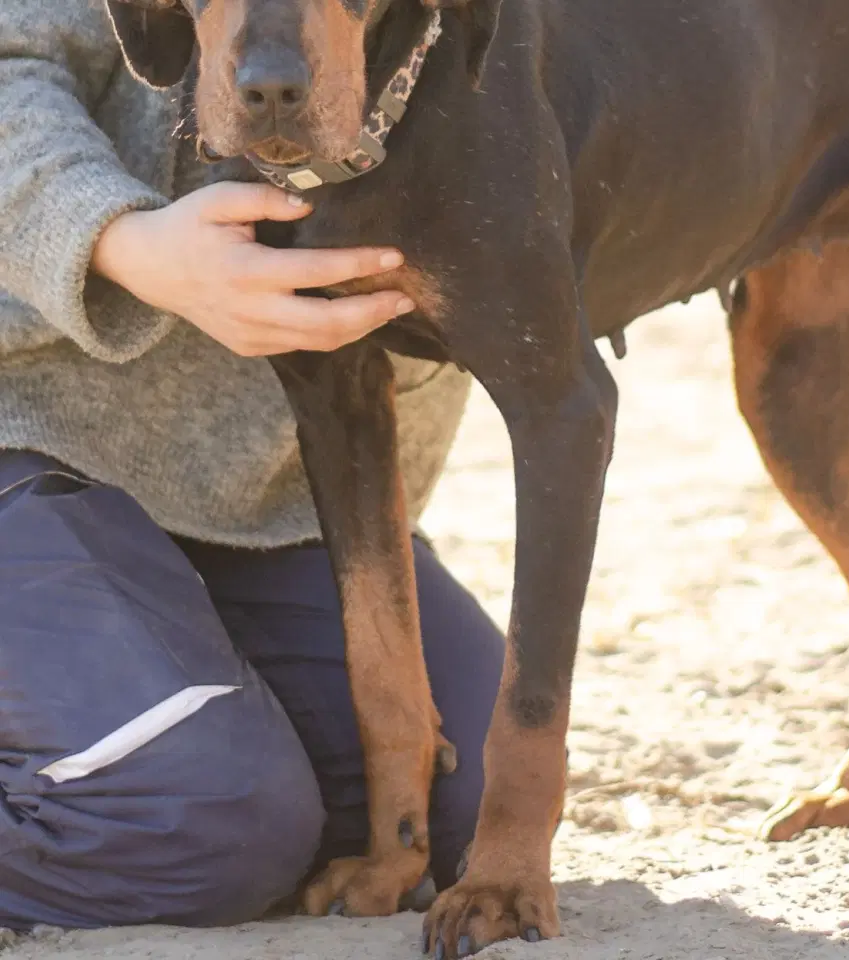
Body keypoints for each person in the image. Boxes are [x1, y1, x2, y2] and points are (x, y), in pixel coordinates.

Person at [0, 0, 504, 930]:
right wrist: (124, 244)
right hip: (26, 431)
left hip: (276, 502)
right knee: (197, 822)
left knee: (465, 807)